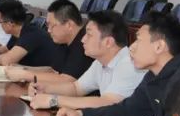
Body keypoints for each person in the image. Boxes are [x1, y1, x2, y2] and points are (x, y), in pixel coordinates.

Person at [14, 10, 146, 110]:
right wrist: (45, 88)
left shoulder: (129, 64)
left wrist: (54, 100)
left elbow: (107, 102)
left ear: (108, 42)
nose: (83, 40)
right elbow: (76, 88)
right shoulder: (100, 62)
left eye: (89, 35)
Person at [4, 0, 89, 78]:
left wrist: (25, 75)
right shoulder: (63, 41)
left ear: (69, 25)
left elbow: (66, 80)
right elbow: (53, 71)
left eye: (52, 25)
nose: (49, 30)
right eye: (48, 26)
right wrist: (22, 68)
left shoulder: (83, 43)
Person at [0, 0, 62, 67]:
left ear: (10, 23)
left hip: (42, 76)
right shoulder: (18, 31)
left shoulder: (30, 35)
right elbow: (7, 49)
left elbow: (7, 61)